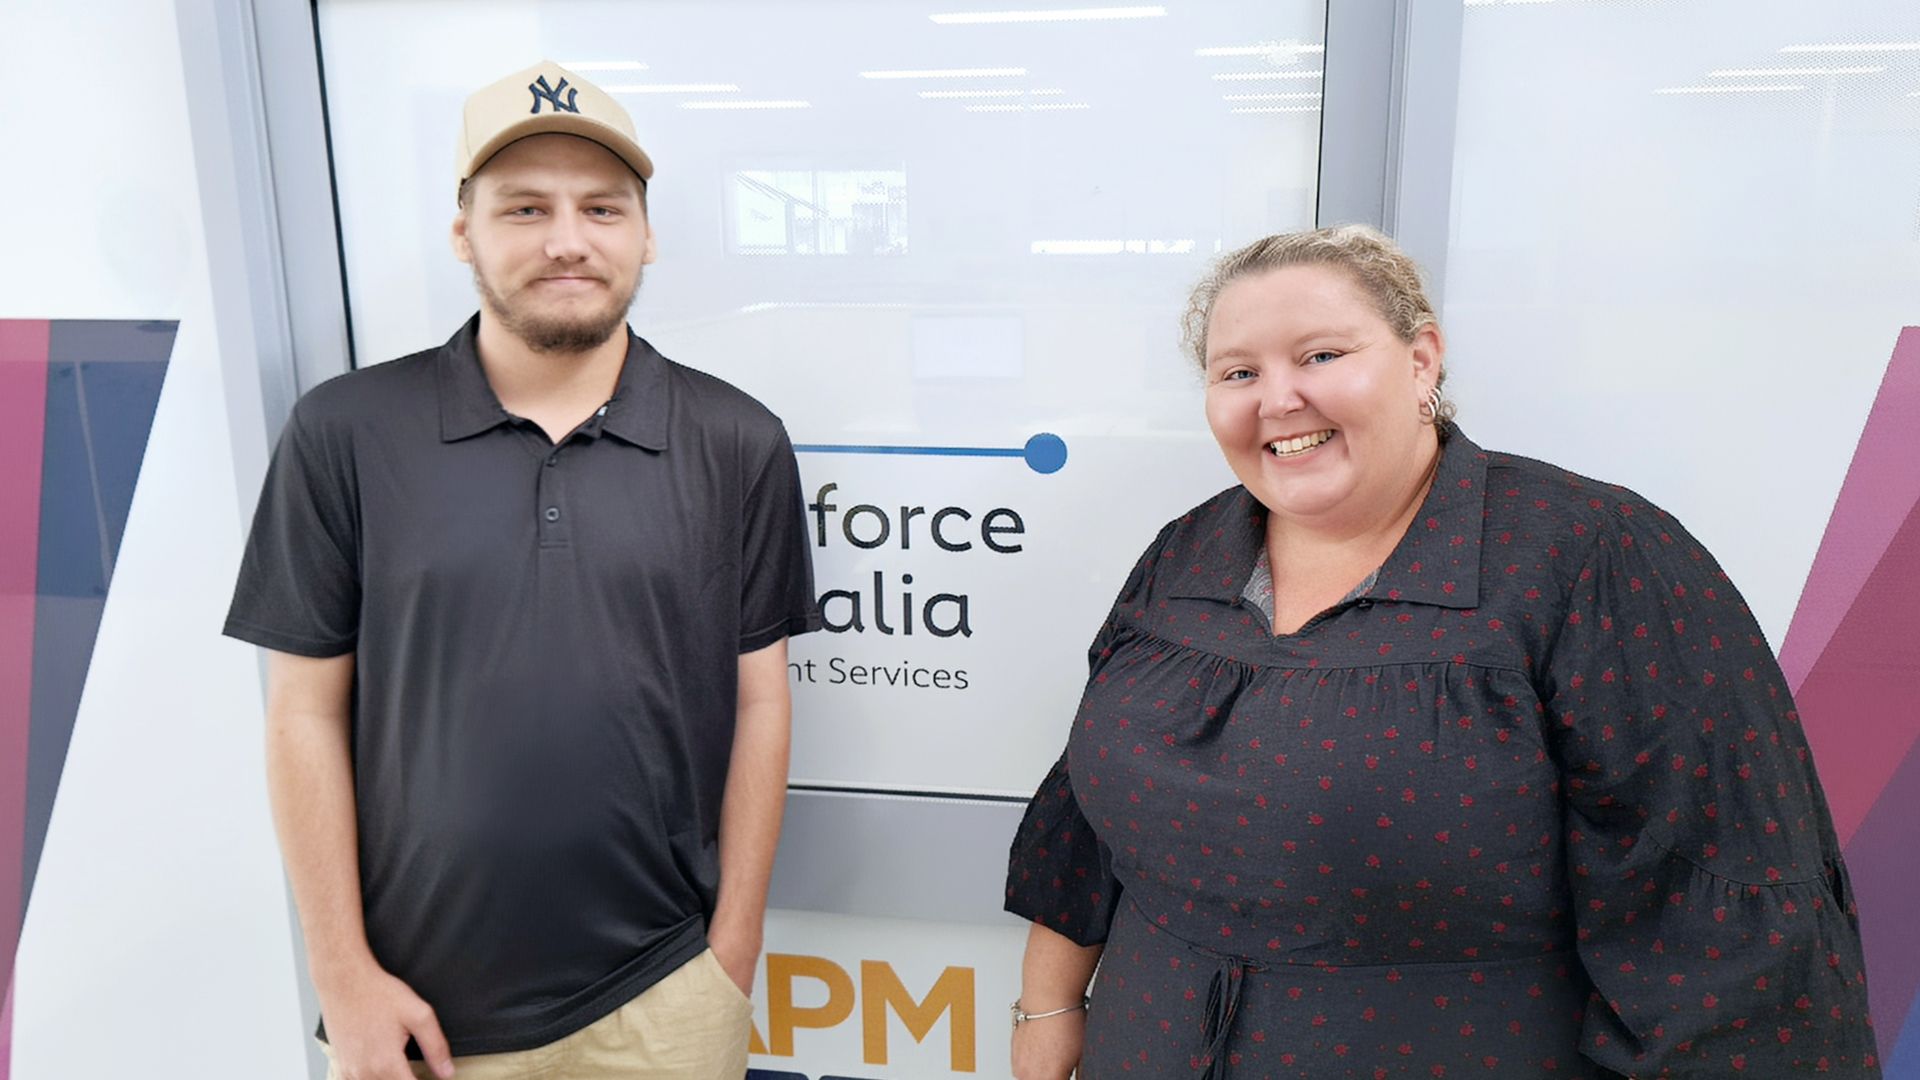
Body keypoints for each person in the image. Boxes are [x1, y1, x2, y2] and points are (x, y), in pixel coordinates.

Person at [1004, 225, 1880, 1079]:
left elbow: (1725, 933)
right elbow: (1083, 818)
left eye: (1320, 356)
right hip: (1144, 1044)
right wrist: (1047, 1016)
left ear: (1421, 360)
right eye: (1239, 372)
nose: (1278, 399)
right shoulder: (1183, 555)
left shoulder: (1591, 557)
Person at [225, 61, 819, 1080]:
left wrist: (732, 954)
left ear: (646, 232)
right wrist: (343, 978)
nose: (567, 240)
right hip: (417, 1018)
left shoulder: (736, 440)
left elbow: (760, 703)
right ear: (465, 232)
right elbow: (302, 715)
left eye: (601, 207)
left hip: (665, 999)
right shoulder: (347, 432)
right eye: (524, 207)